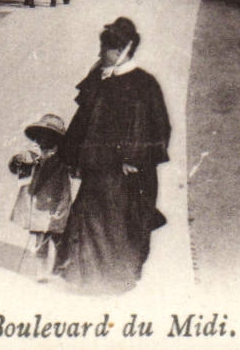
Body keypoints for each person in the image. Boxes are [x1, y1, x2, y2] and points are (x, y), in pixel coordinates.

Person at [55, 17, 171, 293]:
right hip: (98, 168)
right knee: (91, 221)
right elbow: (82, 120)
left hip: (127, 173)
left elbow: (159, 128)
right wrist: (72, 156)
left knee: (119, 226)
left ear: (121, 51)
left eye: (104, 49)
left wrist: (134, 158)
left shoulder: (145, 84)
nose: (99, 54)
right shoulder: (100, 78)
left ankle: (114, 282)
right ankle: (86, 279)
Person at [9, 113, 73, 281]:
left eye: (50, 135)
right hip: (37, 203)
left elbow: (75, 172)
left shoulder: (63, 157)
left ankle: (61, 269)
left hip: (57, 201)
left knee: (60, 237)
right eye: (41, 135)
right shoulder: (32, 153)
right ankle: (42, 271)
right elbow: (18, 166)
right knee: (40, 238)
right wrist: (18, 161)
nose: (44, 139)